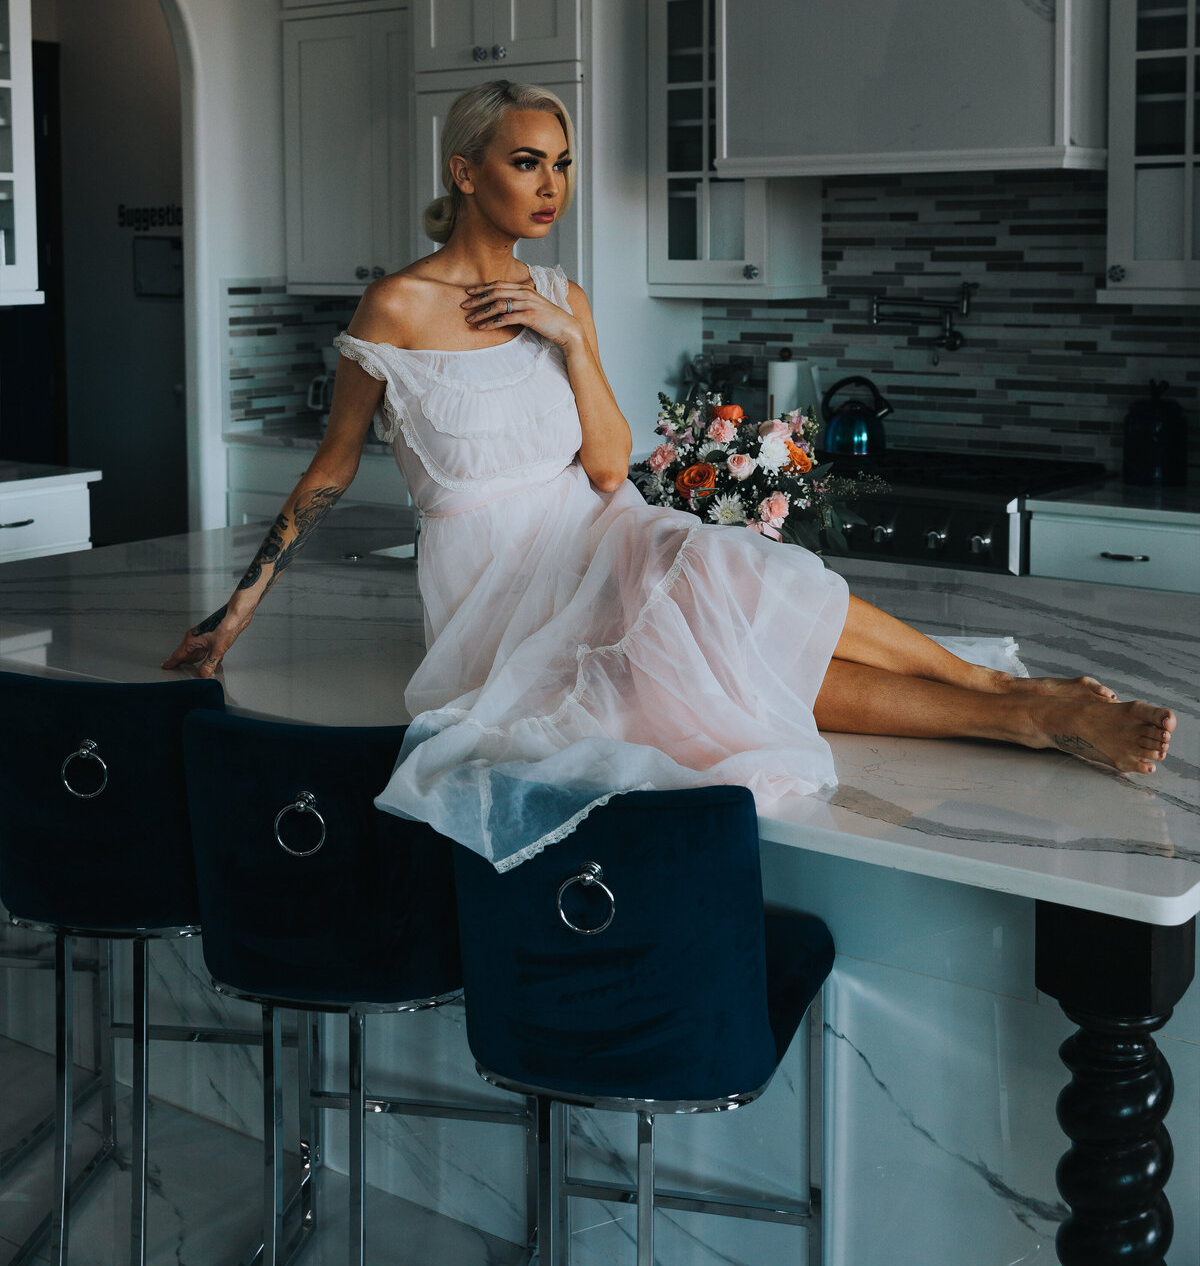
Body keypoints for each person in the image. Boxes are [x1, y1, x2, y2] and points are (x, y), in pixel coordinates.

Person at [165, 80, 1176, 870]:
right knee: (698, 667)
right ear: (466, 172)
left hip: (593, 529)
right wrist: (237, 612)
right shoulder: (391, 309)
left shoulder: (560, 292)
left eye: (561, 164)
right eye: (528, 163)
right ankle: (1020, 711)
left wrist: (571, 341)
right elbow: (330, 473)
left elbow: (609, 465)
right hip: (491, 589)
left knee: (726, 579)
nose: (552, 185)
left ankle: (1011, 696)